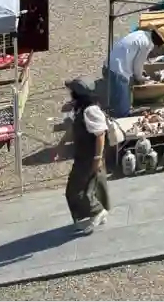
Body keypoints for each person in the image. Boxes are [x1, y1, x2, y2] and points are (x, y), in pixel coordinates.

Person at [62, 79, 110, 232]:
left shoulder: (90, 111)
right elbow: (73, 128)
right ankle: (97, 213)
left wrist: (97, 158)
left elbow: (100, 134)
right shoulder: (80, 109)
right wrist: (60, 144)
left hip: (89, 157)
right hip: (84, 155)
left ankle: (97, 211)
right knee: (93, 185)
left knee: (75, 190)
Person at [103, 26, 164, 117]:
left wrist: (140, 72)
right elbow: (138, 66)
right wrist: (142, 78)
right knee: (122, 111)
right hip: (118, 70)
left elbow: (134, 57)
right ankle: (118, 119)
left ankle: (113, 114)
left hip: (109, 66)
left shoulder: (140, 34)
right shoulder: (147, 44)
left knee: (117, 100)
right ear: (159, 41)